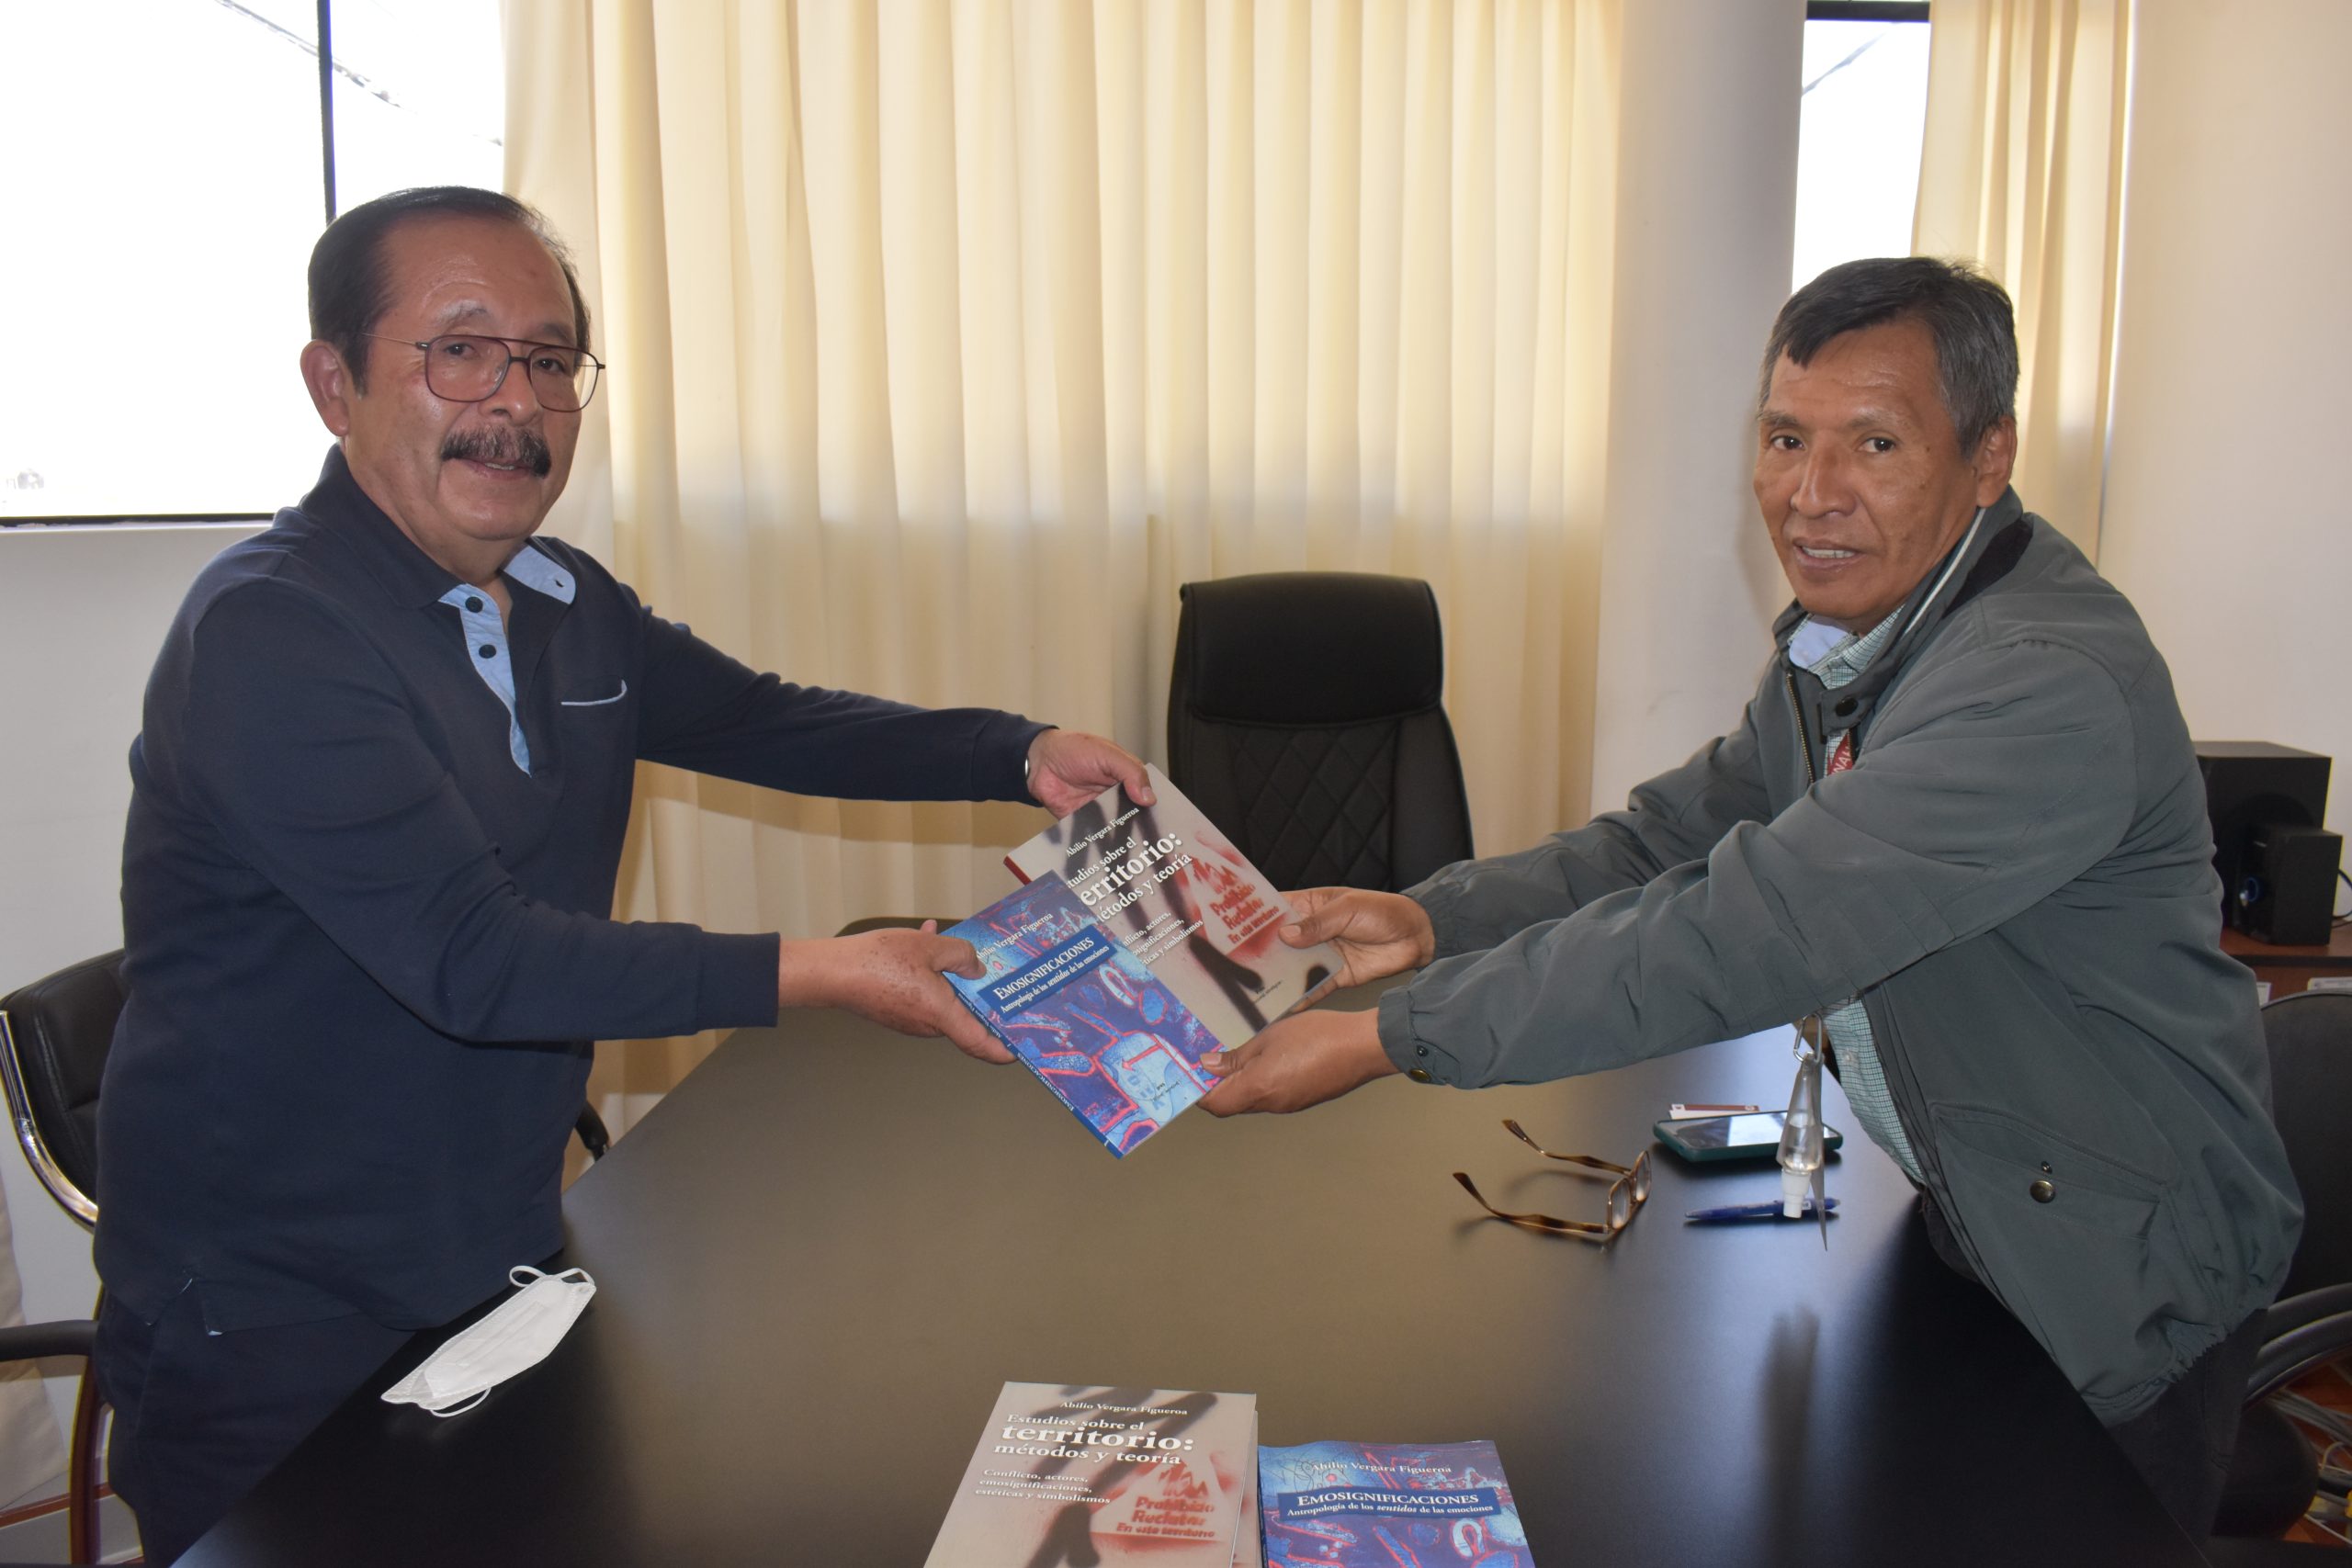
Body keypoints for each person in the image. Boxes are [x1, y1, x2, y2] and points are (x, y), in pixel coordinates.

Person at [94, 185, 1146, 1564]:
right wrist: (825, 971)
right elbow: (480, 958)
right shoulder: (270, 631)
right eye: (459, 350)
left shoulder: (567, 600)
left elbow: (770, 717)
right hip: (273, 1311)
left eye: (548, 360)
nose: (513, 401)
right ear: (332, 383)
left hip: (497, 1256)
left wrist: (1019, 754)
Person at [1200, 257, 2301, 1534]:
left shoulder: (2036, 688)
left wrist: (1396, 1032)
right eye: (1786, 438)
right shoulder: (1857, 635)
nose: (1809, 494)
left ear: (1987, 456)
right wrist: (1437, 918)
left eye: (1875, 444)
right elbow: (1674, 837)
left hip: (2118, 1260)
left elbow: (1744, 928)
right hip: (1974, 1201)